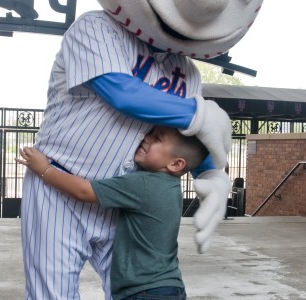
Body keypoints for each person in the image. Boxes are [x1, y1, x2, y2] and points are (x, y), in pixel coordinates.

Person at [20, 1, 263, 298]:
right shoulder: (96, 27)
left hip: (124, 200)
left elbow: (188, 140)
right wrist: (195, 113)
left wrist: (211, 172)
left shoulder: (188, 73)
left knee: (130, 291)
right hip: (58, 186)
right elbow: (120, 92)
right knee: (53, 293)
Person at [17, 126, 208, 300]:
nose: (146, 138)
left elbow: (84, 191)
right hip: (170, 286)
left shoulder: (144, 184)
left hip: (144, 291)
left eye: (157, 138)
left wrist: (44, 169)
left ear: (176, 164)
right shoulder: (171, 187)